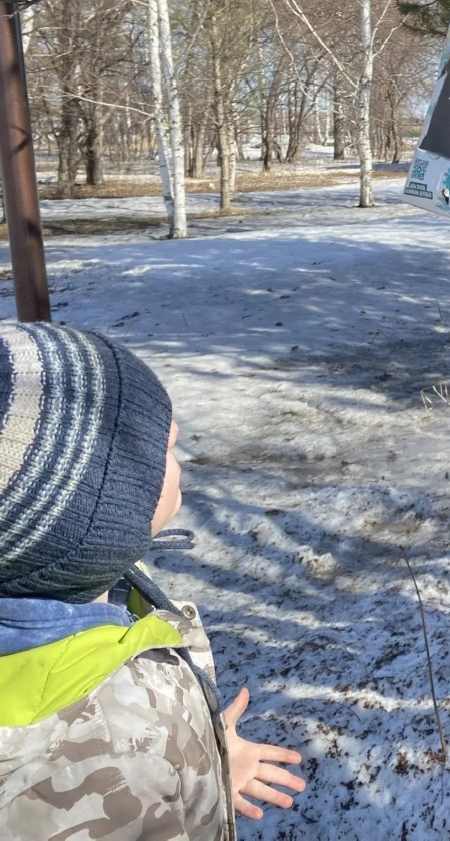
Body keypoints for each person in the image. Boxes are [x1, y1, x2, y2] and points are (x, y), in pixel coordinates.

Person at [0, 323, 306, 840]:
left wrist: (197, 762)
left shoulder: (72, 582)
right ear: (95, 519)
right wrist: (152, 758)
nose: (177, 442)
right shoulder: (103, 759)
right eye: (160, 445)